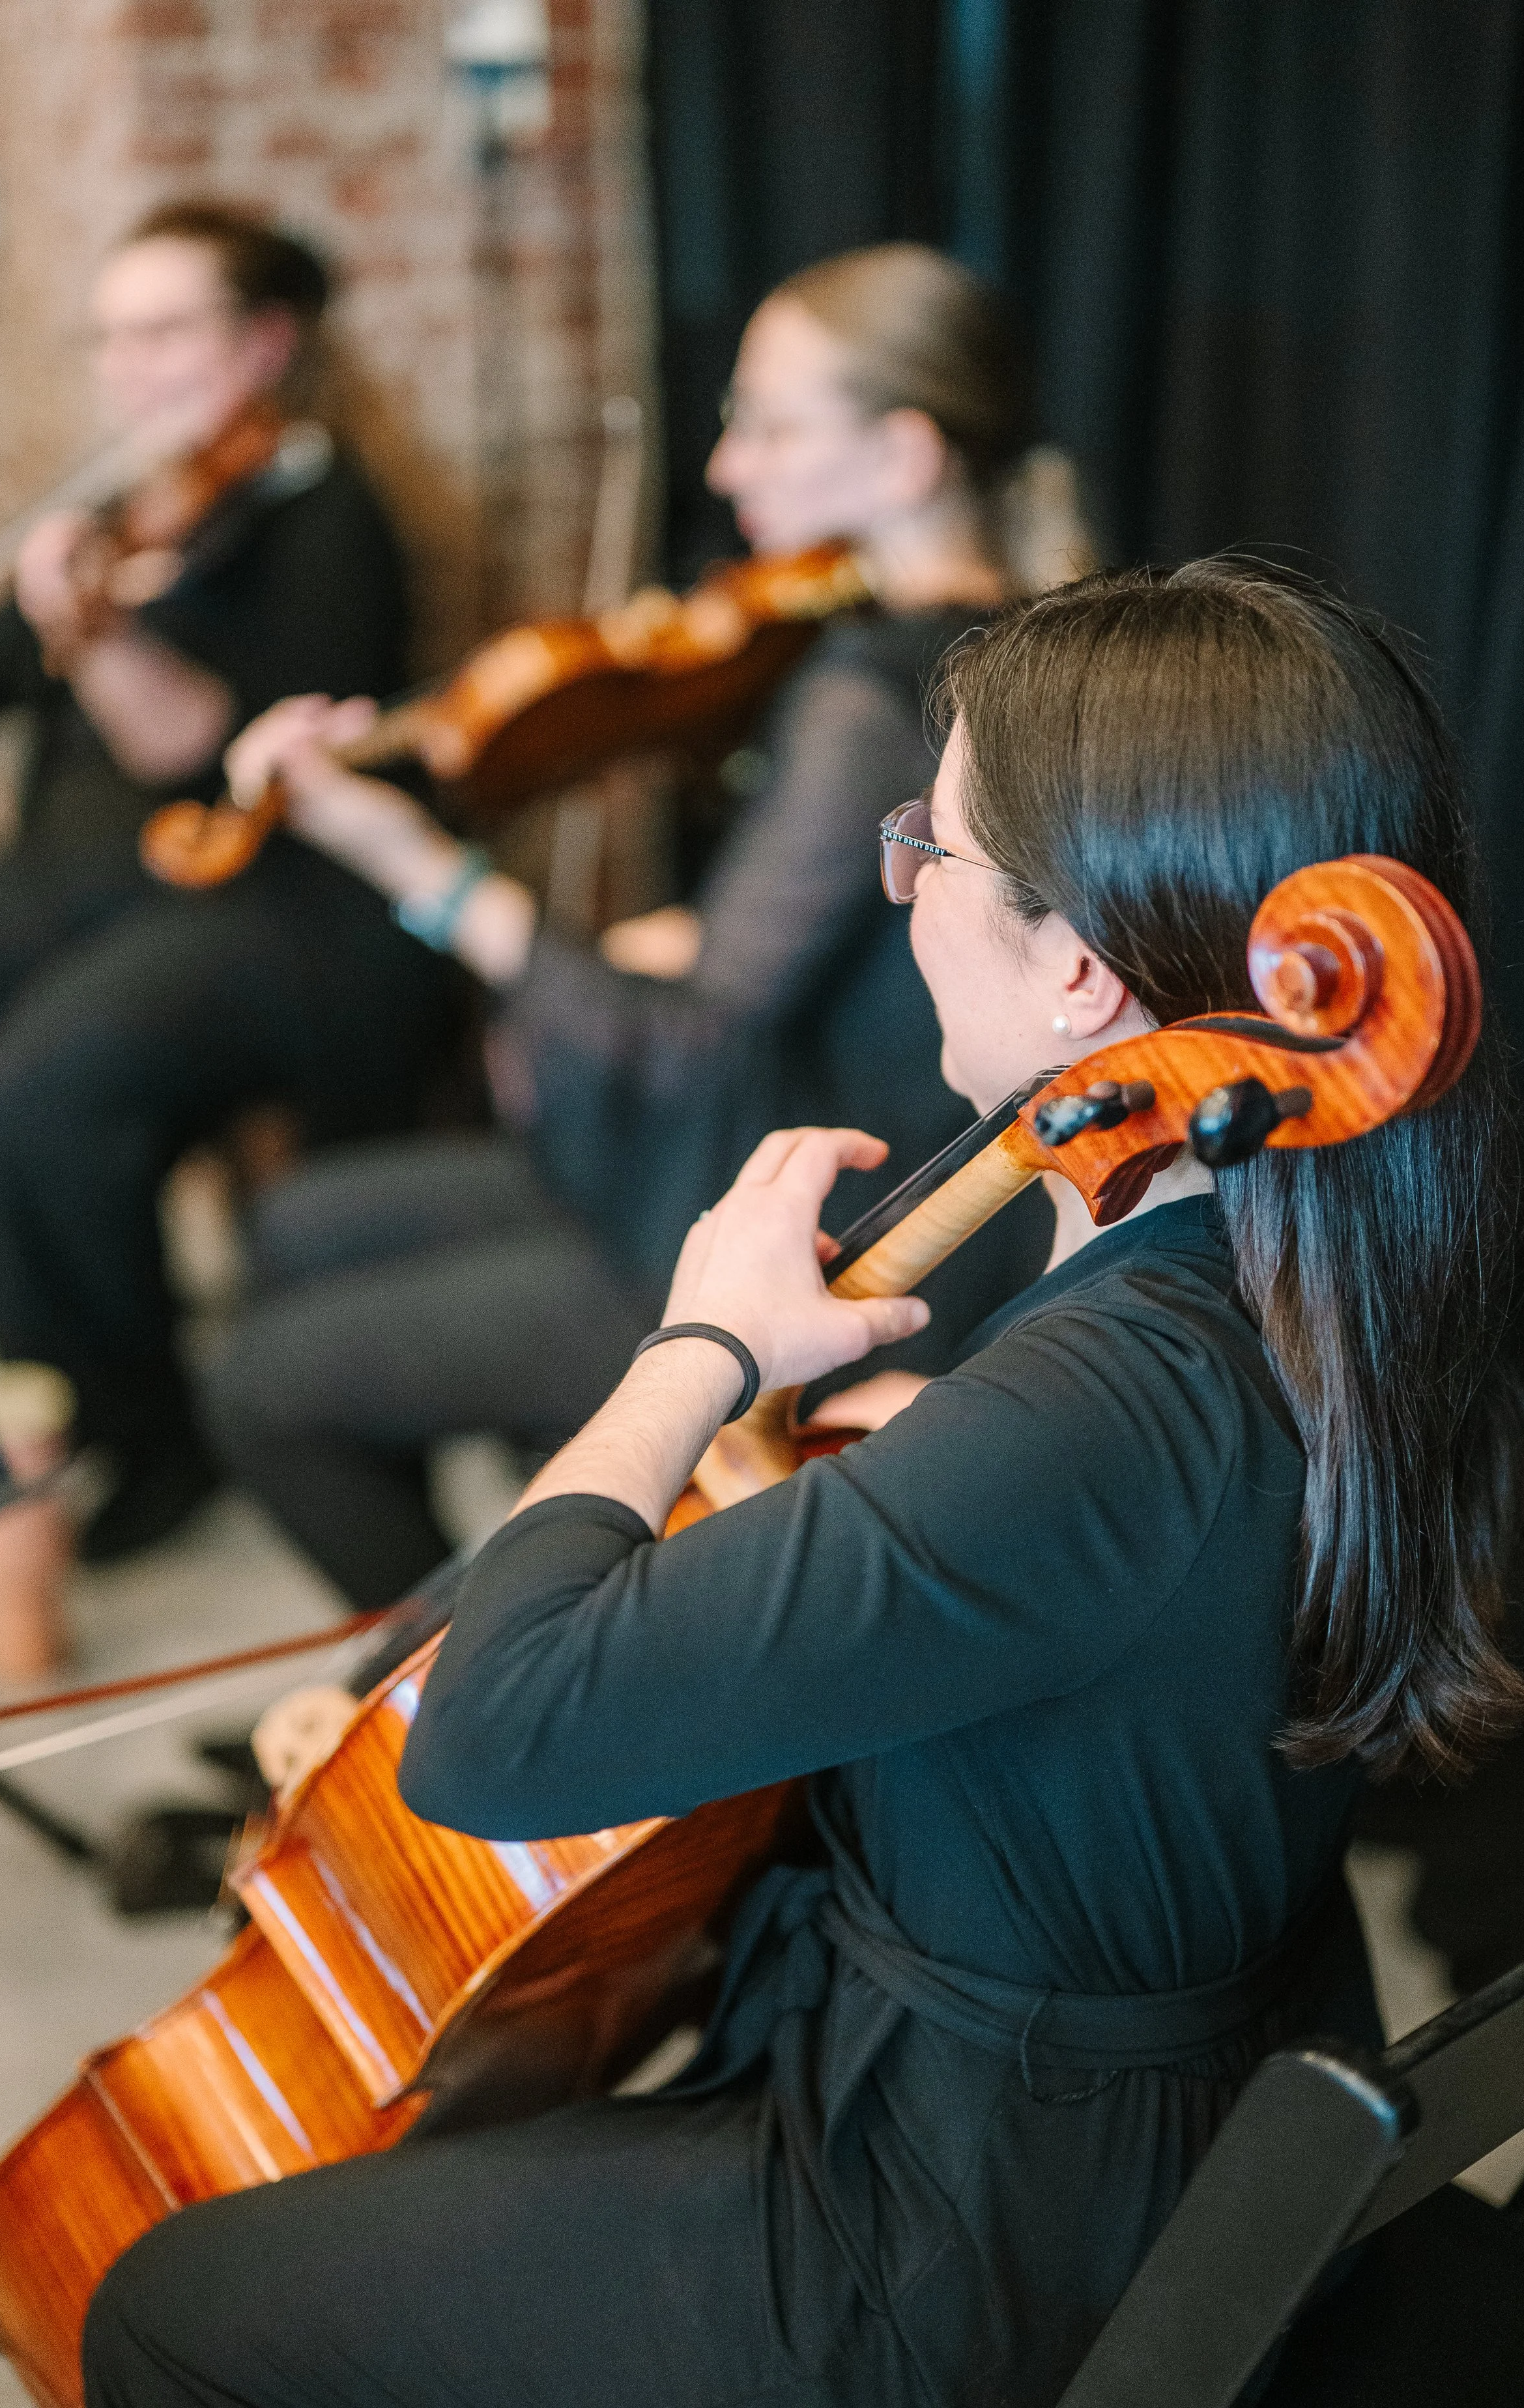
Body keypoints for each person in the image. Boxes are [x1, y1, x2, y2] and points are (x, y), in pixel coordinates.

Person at [83, 560, 1524, 2408]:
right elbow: (1108, 1561)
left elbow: (494, 1728)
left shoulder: (1096, 1410)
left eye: (923, 849)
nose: (903, 889)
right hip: (1188, 2089)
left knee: (176, 2309)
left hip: (958, 2240)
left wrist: (695, 1343)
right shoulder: (1318, 1261)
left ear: (1082, 970)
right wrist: (936, 1442)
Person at [203, 242, 1052, 1632]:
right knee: (296, 1224)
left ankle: (447, 1680)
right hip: (814, 1138)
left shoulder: (861, 701)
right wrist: (684, 936)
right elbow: (802, 957)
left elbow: (681, 1049)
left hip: (813, 1221)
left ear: (905, 456)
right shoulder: (992, 644)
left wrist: (403, 857)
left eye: (769, 425)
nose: (726, 470)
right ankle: (527, 1566)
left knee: (263, 1381)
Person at [0, 200, 457, 1560]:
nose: (132, 366)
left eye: (166, 330)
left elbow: (198, 752)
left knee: (42, 1089)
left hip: (294, 907)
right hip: (114, 887)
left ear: (262, 344)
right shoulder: (131, 506)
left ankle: (147, 1427)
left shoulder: (321, 514)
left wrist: (97, 629)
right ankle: (18, 1399)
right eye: (113, 337)